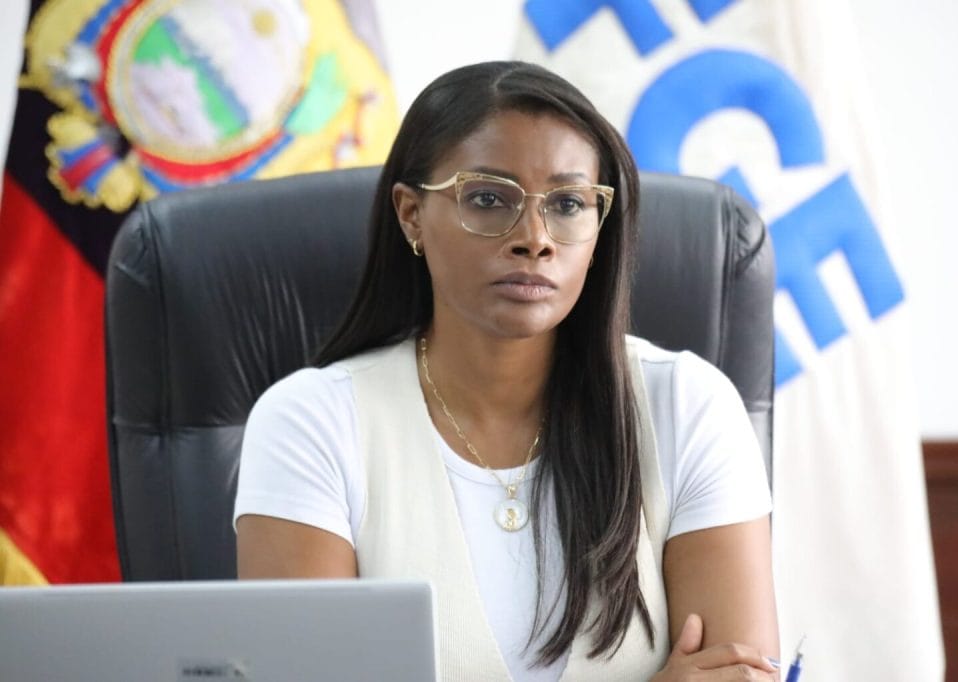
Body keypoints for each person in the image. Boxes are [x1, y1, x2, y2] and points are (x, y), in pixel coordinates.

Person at [234, 61, 779, 681]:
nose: (535, 239)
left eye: (568, 204)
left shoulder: (687, 405)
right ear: (411, 215)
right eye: (489, 199)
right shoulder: (311, 422)